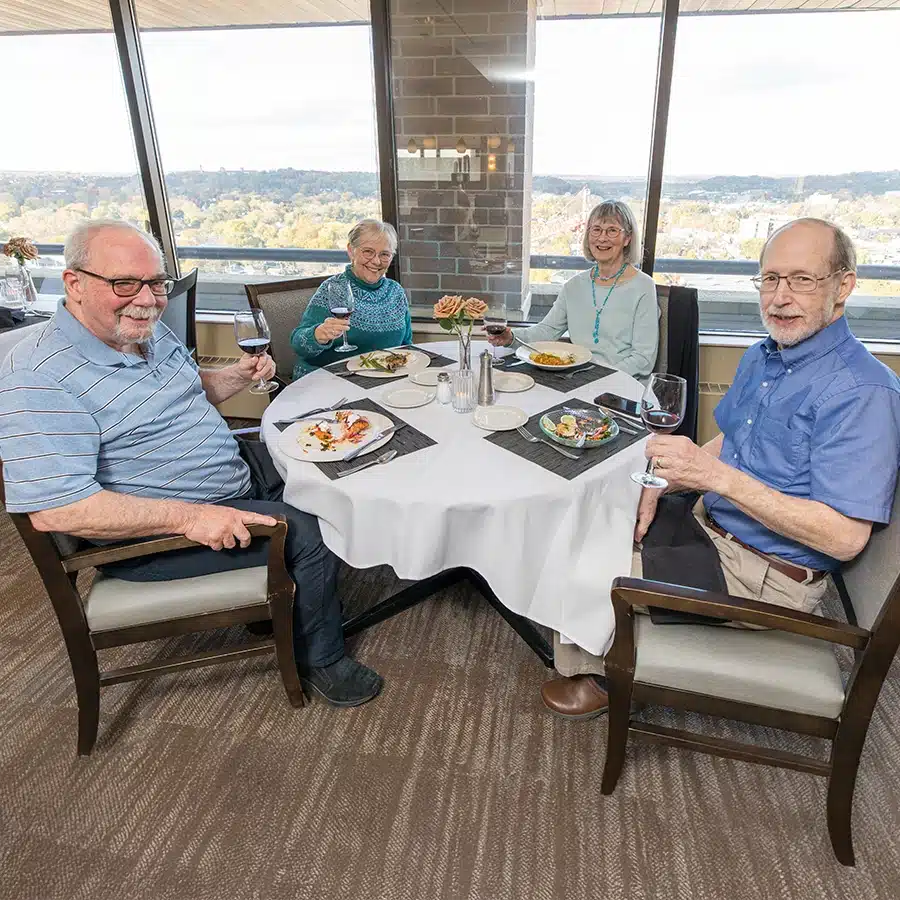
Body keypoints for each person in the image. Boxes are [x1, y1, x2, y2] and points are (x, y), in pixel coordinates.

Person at [0, 219, 382, 708]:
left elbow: (189, 391)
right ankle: (322, 659)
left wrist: (235, 376)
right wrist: (193, 517)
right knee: (313, 530)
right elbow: (60, 512)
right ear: (74, 283)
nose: (148, 298)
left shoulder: (141, 331)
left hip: (224, 470)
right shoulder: (38, 378)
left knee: (331, 457)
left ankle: (290, 602)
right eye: (125, 283)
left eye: (156, 283)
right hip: (160, 535)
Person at [542, 217, 900, 719]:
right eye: (770, 279)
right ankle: (597, 637)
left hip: (765, 576)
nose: (779, 297)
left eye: (801, 279)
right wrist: (665, 483)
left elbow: (844, 538)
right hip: (710, 528)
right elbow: (732, 437)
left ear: (843, 286)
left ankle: (603, 672)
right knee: (585, 516)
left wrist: (712, 479)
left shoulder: (863, 392)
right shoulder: (764, 356)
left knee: (582, 565)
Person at [486, 200, 658, 379]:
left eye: (612, 230)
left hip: (622, 384)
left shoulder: (643, 286)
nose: (602, 238)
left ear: (627, 238)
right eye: (596, 229)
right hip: (577, 378)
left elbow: (643, 359)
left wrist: (603, 379)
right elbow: (546, 331)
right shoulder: (573, 286)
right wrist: (511, 338)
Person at [290, 219, 411, 378]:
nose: (376, 261)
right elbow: (299, 345)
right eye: (368, 251)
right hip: (329, 380)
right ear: (351, 250)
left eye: (384, 254)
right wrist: (317, 335)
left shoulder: (395, 291)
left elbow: (407, 347)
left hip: (381, 381)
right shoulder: (332, 288)